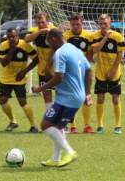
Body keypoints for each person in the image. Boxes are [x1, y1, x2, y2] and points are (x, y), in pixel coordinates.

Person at [32, 28, 93, 167]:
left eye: (48, 43)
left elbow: (59, 77)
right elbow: (89, 71)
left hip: (68, 97)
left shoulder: (60, 53)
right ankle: (55, 159)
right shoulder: (75, 50)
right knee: (58, 127)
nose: (49, 47)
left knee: (45, 125)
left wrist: (40, 89)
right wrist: (87, 92)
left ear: (53, 39)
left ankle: (70, 152)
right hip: (76, 96)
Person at [0, 28, 40, 133]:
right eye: (9, 37)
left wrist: (24, 71)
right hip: (6, 79)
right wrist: (12, 50)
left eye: (14, 36)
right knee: (2, 100)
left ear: (17, 36)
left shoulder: (25, 45)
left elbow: (36, 59)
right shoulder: (4, 45)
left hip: (19, 79)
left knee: (22, 101)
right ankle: (13, 121)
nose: (12, 39)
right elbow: (3, 63)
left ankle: (33, 126)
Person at [91, 14, 125, 134]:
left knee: (115, 99)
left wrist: (113, 70)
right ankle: (100, 125)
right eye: (100, 24)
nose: (103, 26)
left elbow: (120, 55)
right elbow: (95, 51)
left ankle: (118, 125)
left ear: (110, 23)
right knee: (100, 98)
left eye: (105, 23)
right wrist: (105, 37)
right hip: (100, 72)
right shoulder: (95, 36)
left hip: (114, 72)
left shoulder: (118, 36)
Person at [62, 14, 95, 134]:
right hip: (70, 72)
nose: (75, 26)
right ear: (70, 24)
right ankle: (73, 126)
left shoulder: (89, 36)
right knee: (72, 98)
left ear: (83, 23)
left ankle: (87, 125)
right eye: (73, 24)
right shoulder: (65, 36)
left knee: (86, 97)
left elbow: (90, 54)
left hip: (84, 72)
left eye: (78, 24)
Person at [24, 12, 55, 112]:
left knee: (61, 93)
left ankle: (61, 119)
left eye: (42, 22)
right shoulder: (34, 30)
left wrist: (48, 31)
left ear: (48, 21)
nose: (40, 24)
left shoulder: (54, 30)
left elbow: (57, 49)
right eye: (38, 23)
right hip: (42, 70)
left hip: (57, 69)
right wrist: (40, 31)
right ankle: (50, 116)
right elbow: (26, 40)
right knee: (46, 93)